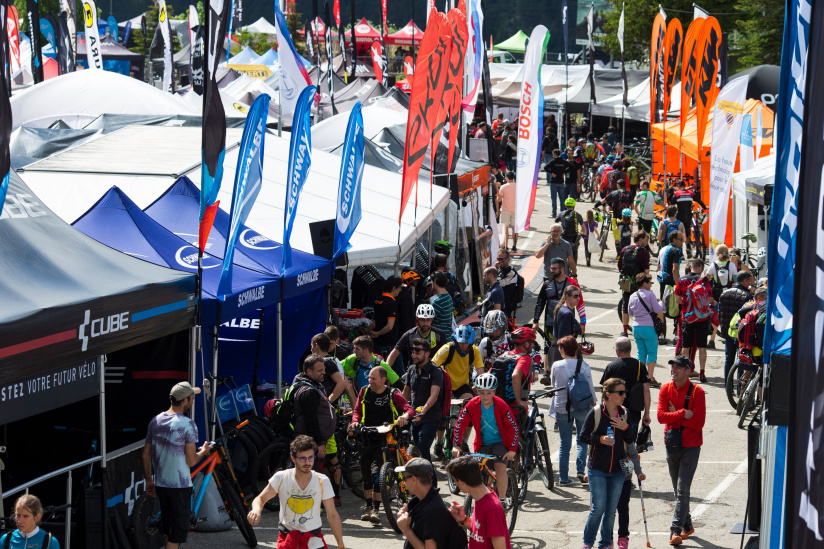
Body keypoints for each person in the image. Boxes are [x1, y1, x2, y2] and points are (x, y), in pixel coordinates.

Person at [142, 382, 211, 549]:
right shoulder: (187, 424)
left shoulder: (156, 420)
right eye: (192, 399)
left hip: (161, 484)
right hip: (180, 487)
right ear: (185, 401)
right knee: (176, 535)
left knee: (169, 531)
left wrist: (149, 481)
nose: (194, 401)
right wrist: (204, 451)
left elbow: (145, 454)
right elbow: (192, 461)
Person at [248, 435, 345, 549]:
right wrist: (256, 509)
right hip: (288, 539)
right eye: (302, 458)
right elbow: (261, 499)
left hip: (313, 539)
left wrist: (341, 544)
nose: (307, 462)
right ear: (293, 458)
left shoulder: (322, 480)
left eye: (310, 458)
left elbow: (332, 515)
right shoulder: (281, 478)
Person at [350, 366, 415, 524]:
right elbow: (357, 410)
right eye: (369, 378)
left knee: (377, 473)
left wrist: (404, 417)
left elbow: (409, 409)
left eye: (373, 378)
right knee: (365, 474)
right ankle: (368, 507)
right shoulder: (364, 391)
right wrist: (355, 422)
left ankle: (376, 510)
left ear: (383, 379)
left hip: (385, 438)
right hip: (367, 436)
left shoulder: (393, 394)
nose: (369, 381)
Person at [578, 378, 636, 549]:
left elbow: (631, 439)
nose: (624, 395)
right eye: (620, 392)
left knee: (611, 510)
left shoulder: (624, 413)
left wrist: (625, 428)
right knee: (599, 507)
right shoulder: (596, 413)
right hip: (598, 468)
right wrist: (600, 439)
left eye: (625, 392)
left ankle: (605, 544)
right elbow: (583, 436)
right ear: (609, 395)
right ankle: (588, 542)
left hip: (618, 469)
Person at [657, 356, 706, 545]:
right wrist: (682, 413)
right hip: (672, 444)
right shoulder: (665, 389)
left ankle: (675, 531)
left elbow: (698, 423)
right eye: (672, 367)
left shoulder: (698, 392)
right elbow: (661, 417)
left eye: (678, 367)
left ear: (688, 371)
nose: (673, 370)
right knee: (678, 492)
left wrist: (673, 415)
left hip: (691, 446)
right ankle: (688, 526)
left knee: (683, 490)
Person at [451, 373, 519, 499]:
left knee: (500, 468)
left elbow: (512, 427)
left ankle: (502, 499)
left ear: (494, 392)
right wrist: (457, 445)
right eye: (481, 393)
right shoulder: (472, 404)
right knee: (476, 473)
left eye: (489, 393)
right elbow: (460, 423)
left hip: (500, 443)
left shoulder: (501, 405)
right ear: (476, 391)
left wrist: (512, 449)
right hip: (483, 444)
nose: (485, 396)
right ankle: (482, 500)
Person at [550, 336, 597, 485]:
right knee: (582, 439)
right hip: (582, 405)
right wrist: (594, 403)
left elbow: (553, 384)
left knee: (564, 442)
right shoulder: (584, 366)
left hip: (563, 406)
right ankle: (580, 471)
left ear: (563, 349)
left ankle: (563, 477)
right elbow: (590, 386)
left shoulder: (557, 365)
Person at [396, 459, 468, 549]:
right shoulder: (425, 500)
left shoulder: (432, 512)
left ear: (414, 479)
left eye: (404, 478)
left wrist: (406, 529)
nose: (404, 483)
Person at [446, 456, 512, 549]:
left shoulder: (491, 508)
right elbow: (479, 533)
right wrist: (463, 519)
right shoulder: (480, 496)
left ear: (461, 482)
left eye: (455, 481)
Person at [533, 259, 586, 374]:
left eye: (554, 268)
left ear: (562, 269)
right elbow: (540, 303)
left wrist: (583, 322)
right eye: (551, 268)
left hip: (567, 322)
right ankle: (547, 372)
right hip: (550, 321)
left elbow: (580, 303)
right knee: (548, 346)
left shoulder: (572, 284)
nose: (551, 270)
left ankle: (568, 370)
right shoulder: (547, 284)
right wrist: (535, 320)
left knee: (567, 346)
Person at [600, 337, 652, 440]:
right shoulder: (640, 366)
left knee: (615, 443)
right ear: (630, 349)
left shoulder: (611, 366)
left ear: (618, 350)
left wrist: (602, 411)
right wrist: (647, 413)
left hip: (614, 412)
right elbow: (646, 391)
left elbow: (604, 392)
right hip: (634, 412)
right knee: (630, 442)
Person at [402, 338, 444, 462]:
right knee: (416, 451)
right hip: (415, 417)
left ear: (427, 353)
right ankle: (421, 479)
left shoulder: (435, 371)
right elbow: (406, 392)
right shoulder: (411, 369)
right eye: (412, 351)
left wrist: (424, 409)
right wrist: (401, 410)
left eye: (417, 352)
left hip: (431, 417)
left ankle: (432, 481)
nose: (413, 355)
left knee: (422, 450)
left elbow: (434, 394)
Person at [675, 259, 716, 382]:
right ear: (700, 268)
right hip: (702, 318)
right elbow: (710, 300)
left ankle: (685, 372)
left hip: (687, 318)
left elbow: (677, 299)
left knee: (686, 347)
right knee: (702, 347)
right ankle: (702, 373)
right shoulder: (704, 281)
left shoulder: (681, 280)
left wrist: (688, 304)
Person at [291, 355, 337, 464]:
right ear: (309, 371)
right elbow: (311, 420)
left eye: (324, 369)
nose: (324, 373)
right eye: (320, 370)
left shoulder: (303, 381)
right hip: (309, 442)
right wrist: (319, 443)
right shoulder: (309, 391)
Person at [488, 327, 537, 431]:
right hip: (515, 410)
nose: (532, 346)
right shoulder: (525, 359)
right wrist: (519, 401)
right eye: (531, 343)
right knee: (520, 441)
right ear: (526, 344)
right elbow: (515, 375)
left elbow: (489, 375)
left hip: (499, 407)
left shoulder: (503, 356)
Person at [628, 274, 665, 384]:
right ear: (645, 284)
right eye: (650, 283)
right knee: (652, 352)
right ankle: (650, 378)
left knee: (641, 353)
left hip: (636, 327)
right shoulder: (650, 294)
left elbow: (630, 312)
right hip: (649, 327)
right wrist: (660, 302)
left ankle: (640, 377)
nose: (650, 285)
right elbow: (658, 309)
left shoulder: (633, 296)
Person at [718, 272, 755, 380]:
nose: (750, 283)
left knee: (728, 359)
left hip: (728, 331)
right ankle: (739, 387)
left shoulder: (725, 293)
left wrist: (723, 329)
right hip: (741, 333)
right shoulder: (747, 296)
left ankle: (727, 385)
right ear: (744, 281)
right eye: (749, 281)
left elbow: (720, 314)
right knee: (741, 360)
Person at [388, 304, 447, 371]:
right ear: (417, 319)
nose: (425, 323)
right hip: (414, 372)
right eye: (422, 320)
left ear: (432, 319)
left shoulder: (440, 335)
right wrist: (385, 370)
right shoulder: (409, 335)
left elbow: (446, 357)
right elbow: (394, 353)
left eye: (428, 320)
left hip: (433, 372)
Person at [617, 231, 651, 338]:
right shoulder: (644, 252)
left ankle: (625, 331)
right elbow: (646, 271)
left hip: (626, 283)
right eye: (646, 239)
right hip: (639, 283)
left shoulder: (624, 249)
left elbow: (619, 266)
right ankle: (642, 329)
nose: (647, 241)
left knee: (625, 306)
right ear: (640, 239)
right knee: (643, 306)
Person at [705, 244, 738, 349]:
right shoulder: (731, 265)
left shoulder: (713, 265)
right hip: (728, 293)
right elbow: (736, 281)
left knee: (716, 317)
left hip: (716, 294)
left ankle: (712, 341)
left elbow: (705, 280)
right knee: (728, 316)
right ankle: (728, 338)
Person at [370, 276, 403, 374]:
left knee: (378, 372)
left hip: (377, 344)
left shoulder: (377, 300)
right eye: (399, 288)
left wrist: (366, 330)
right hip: (389, 344)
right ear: (393, 288)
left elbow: (376, 322)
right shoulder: (392, 302)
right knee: (399, 374)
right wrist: (378, 333)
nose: (400, 290)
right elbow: (390, 326)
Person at [657, 231, 685, 344]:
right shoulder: (677, 251)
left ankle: (661, 335)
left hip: (662, 280)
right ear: (674, 240)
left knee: (662, 308)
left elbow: (658, 266)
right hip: (671, 282)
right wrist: (678, 284)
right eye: (680, 239)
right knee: (677, 307)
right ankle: (676, 336)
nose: (682, 242)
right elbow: (675, 269)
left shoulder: (662, 249)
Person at [673, 181, 707, 256]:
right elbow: (698, 201)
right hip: (688, 215)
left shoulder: (677, 193)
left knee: (680, 233)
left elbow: (672, 204)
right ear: (685, 185)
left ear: (679, 186)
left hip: (680, 216)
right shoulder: (690, 193)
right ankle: (688, 248)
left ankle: (681, 252)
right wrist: (704, 207)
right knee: (687, 231)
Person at [495, 250, 524, 320]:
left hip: (506, 305)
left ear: (508, 259)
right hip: (498, 302)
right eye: (499, 259)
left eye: (503, 259)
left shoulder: (511, 273)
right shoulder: (499, 270)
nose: (500, 261)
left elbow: (498, 284)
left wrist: (494, 270)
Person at [556, 197, 584, 265]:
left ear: (565, 206)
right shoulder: (577, 215)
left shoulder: (561, 214)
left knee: (561, 250)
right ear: (574, 206)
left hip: (564, 237)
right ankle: (574, 268)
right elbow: (583, 228)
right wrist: (581, 233)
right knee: (574, 250)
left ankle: (561, 265)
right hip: (574, 238)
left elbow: (555, 224)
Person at [545, 149, 572, 216]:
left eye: (553, 153)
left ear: (554, 154)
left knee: (554, 199)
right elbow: (571, 166)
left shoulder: (553, 161)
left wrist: (551, 173)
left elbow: (545, 167)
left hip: (554, 181)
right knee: (562, 199)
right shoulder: (563, 161)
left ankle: (554, 213)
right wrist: (564, 172)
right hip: (561, 181)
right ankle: (562, 213)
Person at [431, 271, 455, 343]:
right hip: (448, 337)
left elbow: (428, 319)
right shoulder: (448, 297)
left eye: (432, 281)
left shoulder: (437, 301)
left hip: (438, 340)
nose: (431, 283)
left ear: (435, 281)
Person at [497, 172, 518, 251]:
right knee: (515, 229)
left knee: (505, 229)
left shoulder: (503, 187)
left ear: (506, 178)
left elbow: (499, 199)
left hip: (505, 209)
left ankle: (505, 246)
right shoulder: (518, 186)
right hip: (516, 210)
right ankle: (514, 246)